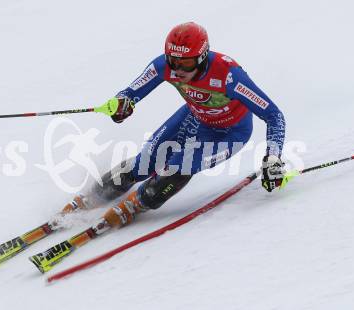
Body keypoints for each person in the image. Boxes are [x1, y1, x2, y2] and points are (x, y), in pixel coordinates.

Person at [61, 22, 286, 234]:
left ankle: (138, 203)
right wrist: (121, 104)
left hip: (230, 134)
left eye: (185, 63)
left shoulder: (229, 75)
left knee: (178, 167)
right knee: (143, 164)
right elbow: (130, 93)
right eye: (173, 61)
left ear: (202, 57)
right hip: (194, 118)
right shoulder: (163, 65)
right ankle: (92, 198)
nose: (177, 69)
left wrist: (273, 157)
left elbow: (274, 116)